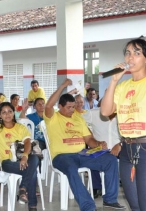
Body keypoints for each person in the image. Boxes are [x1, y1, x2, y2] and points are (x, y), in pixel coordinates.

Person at [44, 78, 125, 211]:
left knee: (110, 160)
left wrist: (98, 144)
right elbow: (48, 106)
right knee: (71, 169)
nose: (72, 110)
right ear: (60, 107)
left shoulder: (78, 118)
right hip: (62, 156)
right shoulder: (53, 117)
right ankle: (88, 206)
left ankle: (110, 199)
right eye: (69, 107)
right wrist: (63, 85)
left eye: (73, 107)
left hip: (82, 154)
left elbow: (88, 139)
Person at [100, 38, 146, 211]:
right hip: (127, 151)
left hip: (145, 147)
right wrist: (113, 81)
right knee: (134, 205)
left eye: (137, 53)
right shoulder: (122, 86)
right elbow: (105, 112)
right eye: (128, 53)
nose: (130, 57)